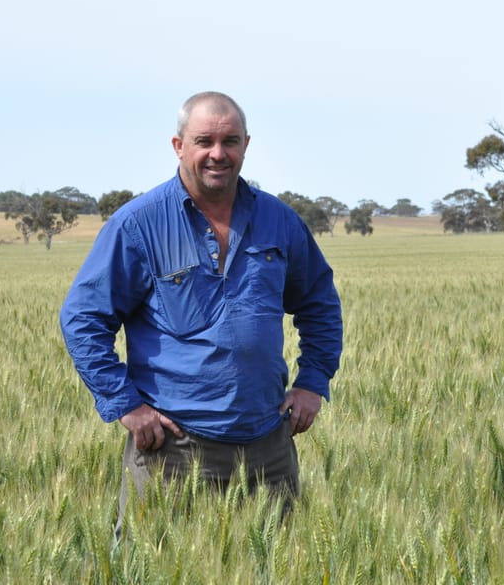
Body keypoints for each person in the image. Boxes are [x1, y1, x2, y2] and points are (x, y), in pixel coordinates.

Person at [59, 91, 343, 534]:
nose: (218, 154)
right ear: (179, 146)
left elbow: (319, 303)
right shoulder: (138, 224)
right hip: (173, 452)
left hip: (268, 448)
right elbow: (83, 318)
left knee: (277, 564)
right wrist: (125, 404)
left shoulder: (280, 221)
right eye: (204, 141)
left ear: (246, 145)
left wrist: (312, 382)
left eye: (230, 141)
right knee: (152, 561)